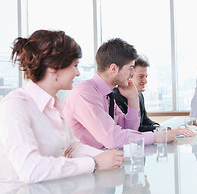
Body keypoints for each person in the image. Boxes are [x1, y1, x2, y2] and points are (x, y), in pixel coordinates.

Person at [0, 30, 124, 184]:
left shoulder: (55, 104)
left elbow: (71, 148)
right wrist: (94, 163)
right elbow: (31, 170)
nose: (77, 73)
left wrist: (108, 157)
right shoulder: (15, 105)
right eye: (75, 66)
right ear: (54, 67)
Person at [64, 38, 176, 150]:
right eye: (130, 68)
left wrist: (133, 99)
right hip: (87, 163)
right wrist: (157, 137)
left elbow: (129, 130)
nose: (133, 74)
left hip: (105, 159)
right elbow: (113, 139)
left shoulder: (107, 95)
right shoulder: (85, 93)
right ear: (113, 68)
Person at [113, 55, 194, 136]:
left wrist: (157, 126)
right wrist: (166, 130)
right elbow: (133, 129)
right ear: (129, 75)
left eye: (146, 76)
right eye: (141, 76)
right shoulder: (115, 97)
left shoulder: (139, 95)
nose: (145, 80)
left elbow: (145, 119)